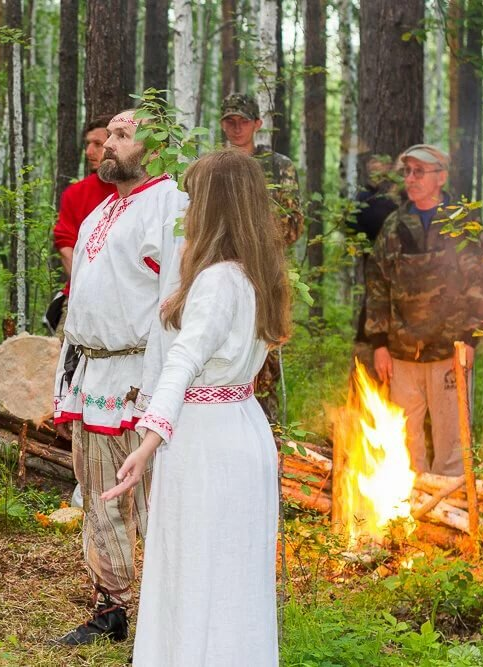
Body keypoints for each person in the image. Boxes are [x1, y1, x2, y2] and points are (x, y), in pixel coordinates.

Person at [103, 149, 290, 666]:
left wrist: (148, 439)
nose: (185, 208)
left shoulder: (217, 280)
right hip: (243, 426)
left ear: (215, 205)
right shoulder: (258, 275)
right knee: (233, 569)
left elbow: (183, 360)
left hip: (207, 438)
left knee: (196, 567)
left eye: (193, 196)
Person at [51, 109, 187, 645]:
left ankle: (164, 616)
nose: (108, 144)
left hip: (141, 379)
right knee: (99, 495)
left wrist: (160, 394)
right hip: (92, 377)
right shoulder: (100, 211)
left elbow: (174, 305)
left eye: (122, 136)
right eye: (108, 135)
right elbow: (83, 302)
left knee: (153, 500)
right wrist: (66, 381)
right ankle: (110, 607)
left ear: (151, 149)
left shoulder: (171, 207)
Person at [365, 144, 483, 476]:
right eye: (407, 171)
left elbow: (482, 285)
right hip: (401, 356)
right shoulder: (394, 226)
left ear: (441, 177)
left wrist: (470, 340)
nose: (411, 178)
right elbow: (378, 286)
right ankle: (407, 518)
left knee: (452, 446)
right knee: (404, 444)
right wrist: (379, 344)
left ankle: (450, 517)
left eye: (419, 171)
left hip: (450, 354)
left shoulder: (461, 223)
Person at [219, 92, 303, 423]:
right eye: (230, 121)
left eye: (243, 121)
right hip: (220, 274)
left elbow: (292, 225)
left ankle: (268, 439)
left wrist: (247, 232)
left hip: (265, 277)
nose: (236, 128)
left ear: (257, 124)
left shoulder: (278, 167)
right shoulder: (213, 165)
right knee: (222, 355)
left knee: (263, 362)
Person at [47, 114, 118, 336]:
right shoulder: (75, 194)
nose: (89, 152)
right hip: (79, 296)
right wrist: (86, 287)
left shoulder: (136, 193)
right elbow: (65, 245)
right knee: (61, 362)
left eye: (98, 144)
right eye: (88, 144)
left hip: (125, 301)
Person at [347, 155, 400, 370]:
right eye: (373, 169)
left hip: (401, 271)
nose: (377, 173)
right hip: (375, 266)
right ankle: (369, 348)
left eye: (381, 168)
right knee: (373, 303)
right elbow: (352, 228)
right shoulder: (363, 198)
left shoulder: (397, 199)